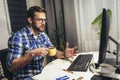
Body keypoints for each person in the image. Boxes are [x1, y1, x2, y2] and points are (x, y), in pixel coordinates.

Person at [6, 6, 77, 80]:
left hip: (41, 75)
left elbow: (53, 52)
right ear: (30, 20)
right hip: (25, 78)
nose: (43, 23)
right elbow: (11, 67)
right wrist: (31, 54)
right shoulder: (18, 37)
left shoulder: (42, 35)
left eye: (44, 20)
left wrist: (63, 54)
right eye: (40, 20)